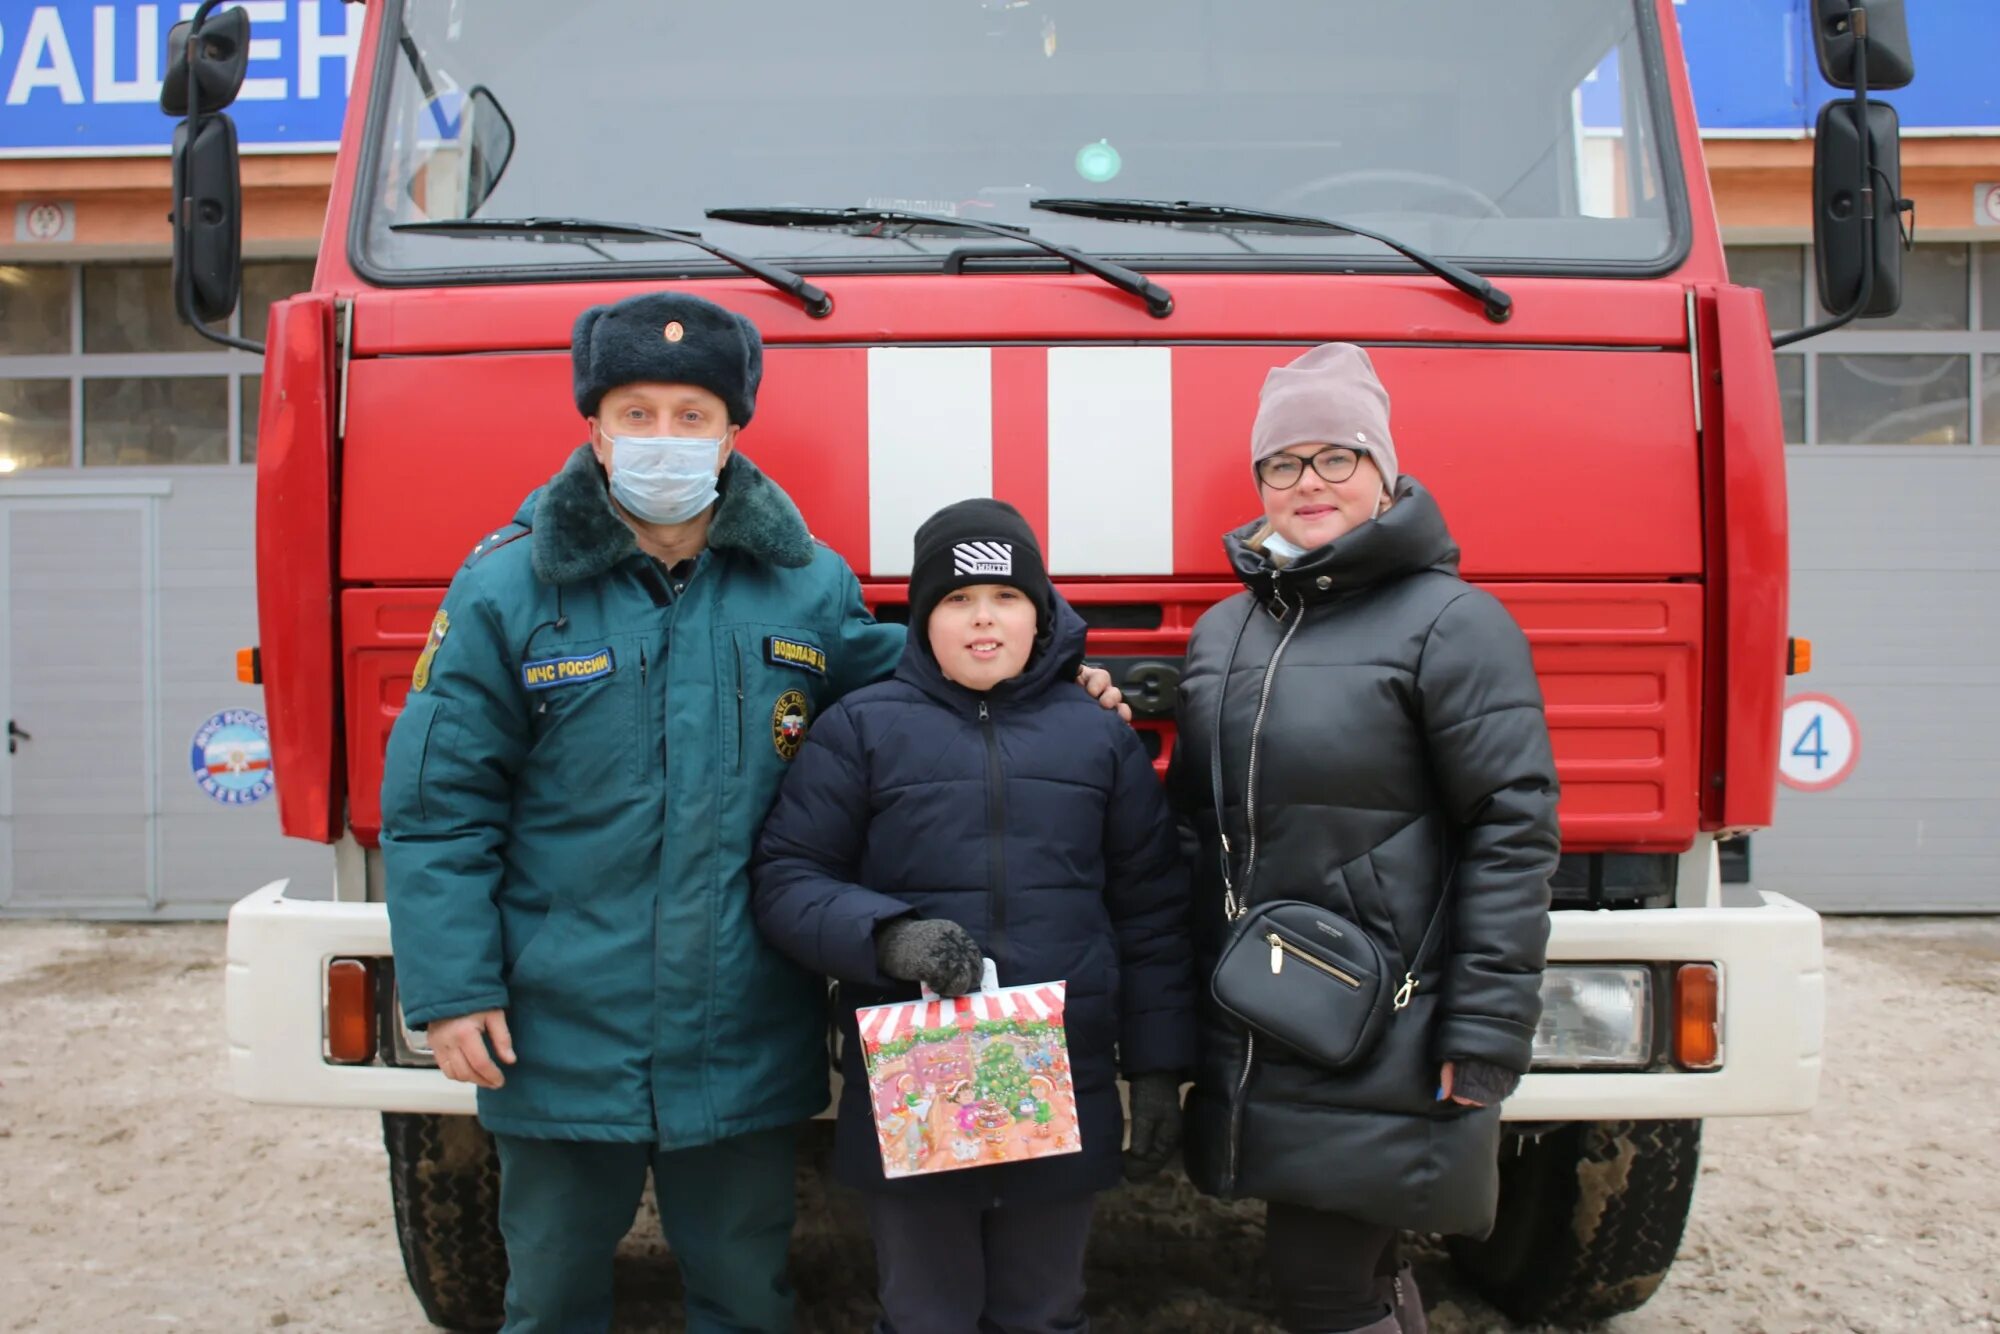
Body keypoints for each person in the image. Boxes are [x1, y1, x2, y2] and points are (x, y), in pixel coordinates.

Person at [379, 293, 1127, 1334]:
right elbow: (438, 805)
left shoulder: (803, 584)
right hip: (559, 1027)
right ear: (592, 427)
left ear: (734, 429)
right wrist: (453, 986)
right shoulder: (508, 588)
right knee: (547, 1297)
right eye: (635, 413)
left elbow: (931, 676)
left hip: (740, 1031)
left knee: (744, 1294)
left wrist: (1061, 673)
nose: (663, 439)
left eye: (692, 415)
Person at [1168, 344, 1561, 1334]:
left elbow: (1510, 837)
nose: (1308, 482)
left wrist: (1482, 1034)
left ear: (1383, 473)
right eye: (1281, 462)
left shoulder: (1452, 624)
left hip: (1390, 1023)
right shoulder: (1226, 631)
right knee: (1363, 1275)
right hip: (1268, 1014)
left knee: (1321, 1286)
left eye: (1335, 455)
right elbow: (1200, 826)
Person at [752, 498, 1195, 1334]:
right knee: (926, 1313)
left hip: (1062, 1081)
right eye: (956, 600)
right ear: (921, 620)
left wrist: (1159, 1066)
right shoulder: (861, 731)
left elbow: (1152, 913)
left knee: (1044, 1310)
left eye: (1006, 596)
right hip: (916, 1084)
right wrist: (886, 935)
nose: (983, 618)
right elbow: (786, 878)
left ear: (1042, 613)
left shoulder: (1099, 740)